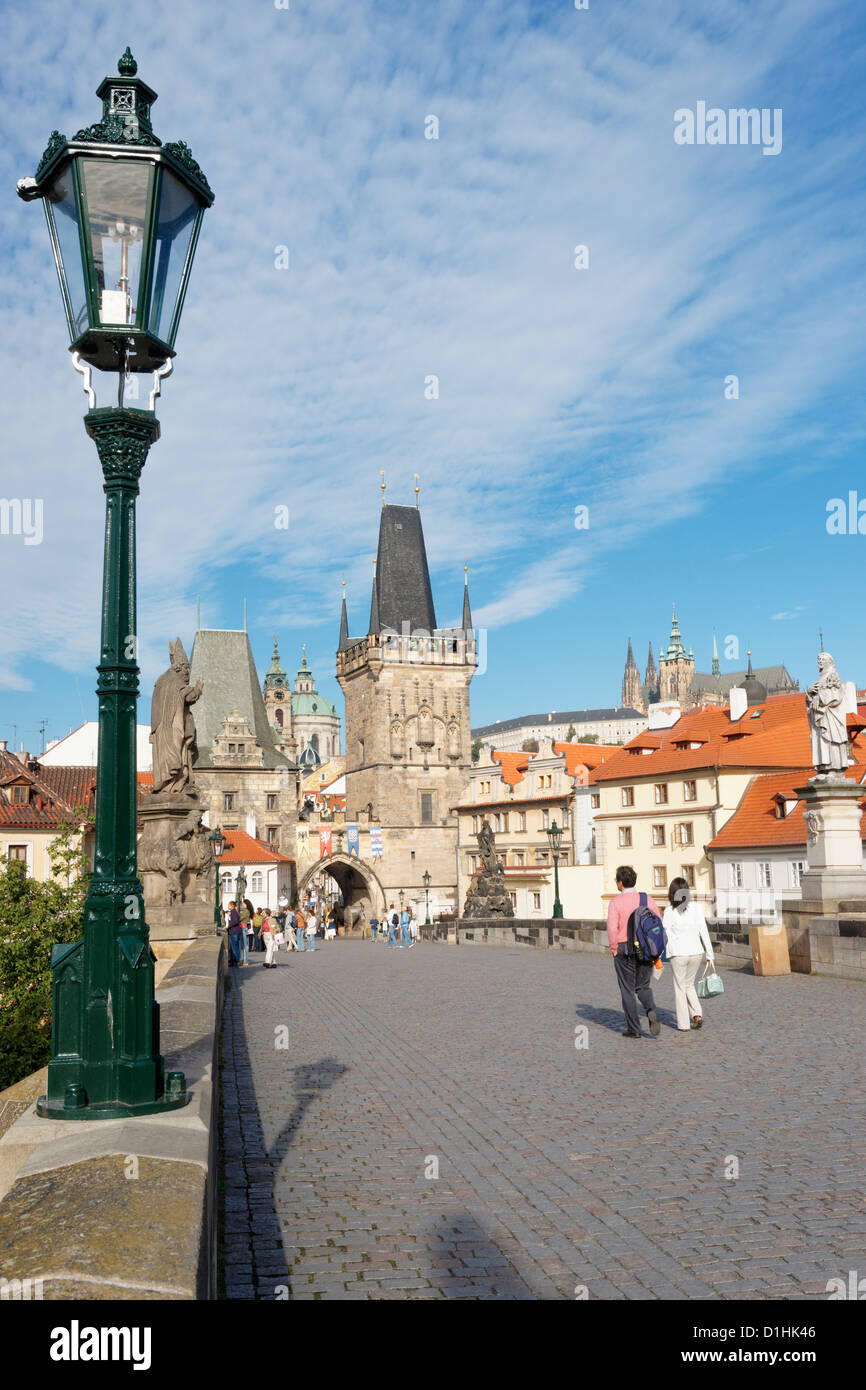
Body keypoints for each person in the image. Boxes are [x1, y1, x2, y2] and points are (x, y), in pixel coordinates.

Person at [606, 865, 662, 1039]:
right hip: (645, 949)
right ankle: (651, 1009)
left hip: (625, 949)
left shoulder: (615, 902)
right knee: (643, 986)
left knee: (627, 990)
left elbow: (612, 929)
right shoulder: (647, 899)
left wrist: (614, 949)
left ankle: (634, 1029)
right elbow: (658, 923)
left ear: (620, 883)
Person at [664, 877, 715, 1032]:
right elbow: (703, 931)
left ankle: (684, 1025)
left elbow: (663, 933)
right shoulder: (696, 908)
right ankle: (697, 1014)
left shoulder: (669, 911)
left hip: (678, 954)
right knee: (689, 984)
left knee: (680, 988)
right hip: (696, 952)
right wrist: (710, 954)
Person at [227, 900, 243, 966]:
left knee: (235, 947)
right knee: (234, 947)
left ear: (232, 906)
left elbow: (235, 921)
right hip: (235, 931)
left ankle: (236, 961)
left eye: (229, 905)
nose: (228, 906)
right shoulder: (233, 912)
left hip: (234, 931)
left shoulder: (233, 912)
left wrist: (229, 926)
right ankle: (234, 960)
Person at [238, 897, 253, 966]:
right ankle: (243, 960)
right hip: (243, 928)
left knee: (245, 946)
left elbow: (240, 918)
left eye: (243, 903)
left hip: (243, 928)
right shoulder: (245, 910)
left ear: (246, 904)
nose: (242, 905)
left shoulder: (246, 911)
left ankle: (245, 960)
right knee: (243, 945)